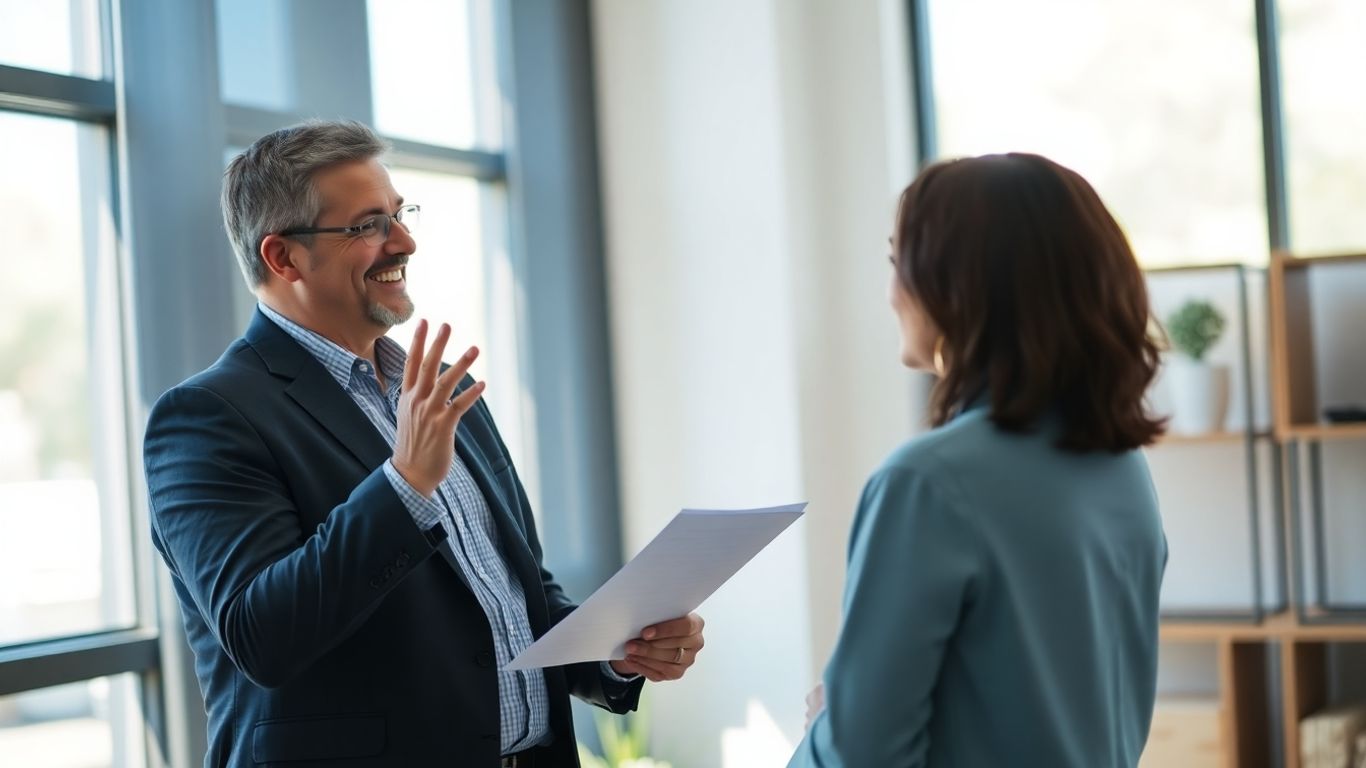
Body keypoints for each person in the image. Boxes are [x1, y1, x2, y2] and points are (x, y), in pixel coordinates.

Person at [143, 120, 705, 768]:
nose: (403, 241)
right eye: (368, 226)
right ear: (283, 257)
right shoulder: (208, 417)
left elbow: (513, 596)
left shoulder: (442, 387)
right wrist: (404, 483)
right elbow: (262, 634)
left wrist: (612, 652)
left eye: (399, 214)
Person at [789, 153, 1167, 767]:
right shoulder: (1121, 466)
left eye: (896, 263)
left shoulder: (927, 483)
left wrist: (823, 731)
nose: (890, 294)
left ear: (956, 287)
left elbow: (862, 756)